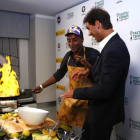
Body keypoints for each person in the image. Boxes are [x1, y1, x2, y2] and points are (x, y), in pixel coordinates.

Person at [60, 7, 130, 140]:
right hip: (95, 111)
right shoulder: (110, 46)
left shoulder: (114, 49)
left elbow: (104, 90)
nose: (89, 33)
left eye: (89, 28)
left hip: (103, 115)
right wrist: (87, 72)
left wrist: (75, 93)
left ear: (97, 24)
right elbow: (104, 75)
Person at [32, 25, 99, 128]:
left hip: (89, 100)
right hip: (72, 99)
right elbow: (58, 75)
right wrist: (41, 87)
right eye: (69, 41)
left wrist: (88, 66)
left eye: (74, 40)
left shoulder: (93, 54)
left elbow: (100, 76)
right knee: (64, 130)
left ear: (82, 40)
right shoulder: (68, 56)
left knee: (88, 131)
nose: (71, 44)